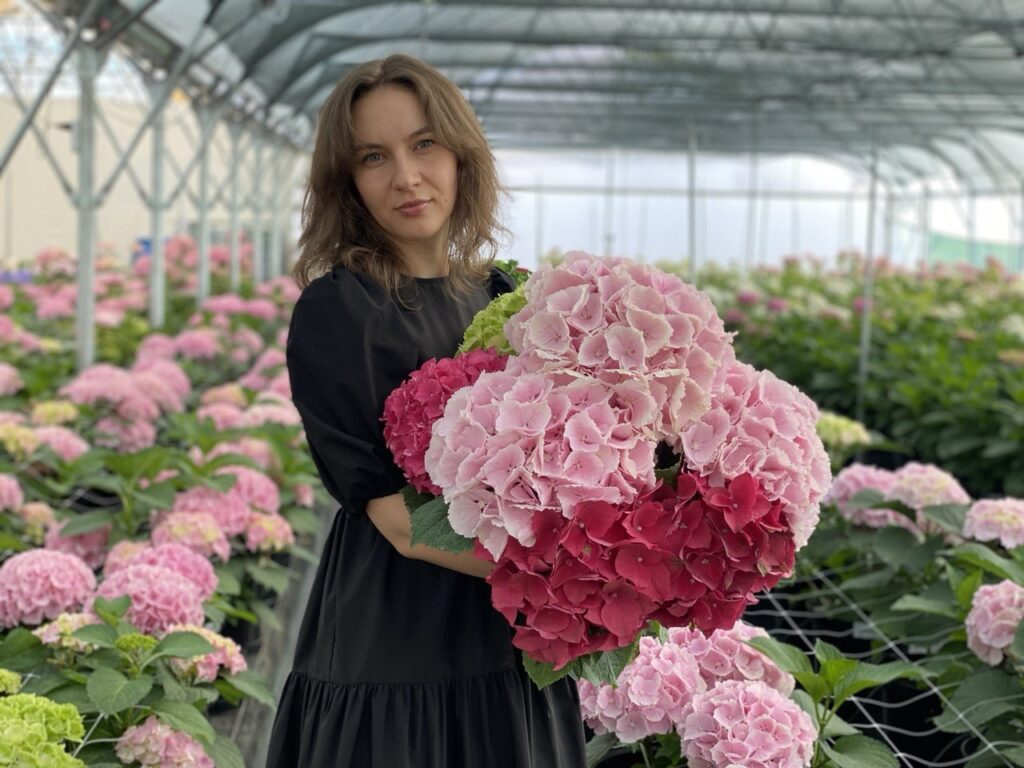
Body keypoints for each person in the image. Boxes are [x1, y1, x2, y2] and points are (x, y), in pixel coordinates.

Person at [265, 55, 586, 767]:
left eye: (424, 144)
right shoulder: (340, 310)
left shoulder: (504, 295)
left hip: (512, 629)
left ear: (461, 153)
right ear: (347, 181)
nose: (406, 176)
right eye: (373, 157)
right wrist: (572, 578)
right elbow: (401, 524)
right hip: (401, 637)